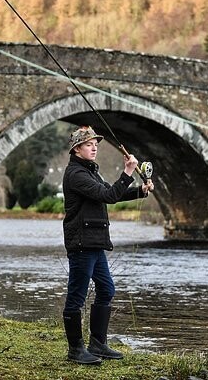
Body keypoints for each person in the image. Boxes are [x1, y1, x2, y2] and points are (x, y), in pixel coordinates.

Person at [61, 125, 154, 365]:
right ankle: (75, 350)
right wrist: (128, 171)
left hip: (95, 242)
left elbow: (109, 192)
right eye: (89, 144)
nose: (94, 148)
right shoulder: (76, 175)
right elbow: (109, 196)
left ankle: (98, 344)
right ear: (76, 149)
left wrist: (139, 192)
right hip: (82, 243)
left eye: (96, 144)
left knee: (106, 290)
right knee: (76, 297)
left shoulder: (90, 172)